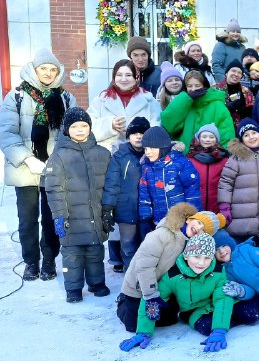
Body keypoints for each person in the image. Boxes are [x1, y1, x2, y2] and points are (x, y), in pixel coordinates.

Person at [0, 48, 74, 281]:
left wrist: (58, 159)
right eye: (43, 68)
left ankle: (49, 260)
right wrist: (27, 159)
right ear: (34, 70)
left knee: (52, 218)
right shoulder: (17, 96)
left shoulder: (65, 98)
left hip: (54, 168)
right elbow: (6, 132)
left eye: (53, 69)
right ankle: (31, 261)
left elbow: (72, 132)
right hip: (24, 168)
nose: (48, 73)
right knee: (27, 220)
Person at [119, 233, 235, 353]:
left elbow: (222, 298)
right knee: (132, 322)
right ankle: (121, 302)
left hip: (210, 305)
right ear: (186, 256)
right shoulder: (173, 275)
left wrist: (219, 330)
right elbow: (153, 301)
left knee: (244, 313)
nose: (201, 263)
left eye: (207, 258)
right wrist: (144, 332)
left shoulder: (218, 271)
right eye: (196, 257)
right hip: (191, 310)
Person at [43, 107, 111, 303]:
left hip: (95, 213)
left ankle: (96, 283)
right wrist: (59, 215)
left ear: (90, 127)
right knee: (72, 254)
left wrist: (108, 210)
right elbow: (54, 189)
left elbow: (110, 185)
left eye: (84, 125)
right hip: (71, 216)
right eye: (74, 126)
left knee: (95, 251)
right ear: (66, 130)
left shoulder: (102, 153)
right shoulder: (59, 156)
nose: (80, 130)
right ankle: (73, 288)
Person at [115, 203, 212, 332]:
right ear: (189, 219)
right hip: (138, 286)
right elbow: (144, 267)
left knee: (169, 320)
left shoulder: (190, 244)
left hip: (161, 288)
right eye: (198, 223)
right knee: (134, 326)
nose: (198, 228)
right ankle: (122, 301)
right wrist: (150, 294)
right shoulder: (160, 235)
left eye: (203, 229)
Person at [102, 117, 150, 273]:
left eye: (142, 133)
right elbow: (112, 183)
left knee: (147, 247)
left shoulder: (152, 155)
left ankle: (145, 279)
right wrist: (108, 206)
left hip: (147, 211)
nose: (139, 137)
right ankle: (131, 280)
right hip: (125, 209)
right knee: (128, 247)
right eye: (135, 133)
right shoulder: (120, 156)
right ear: (128, 136)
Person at [87, 59, 161, 150]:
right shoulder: (100, 100)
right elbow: (88, 127)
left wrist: (139, 133)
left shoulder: (149, 100)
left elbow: (157, 128)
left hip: (141, 154)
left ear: (136, 77)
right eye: (119, 75)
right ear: (114, 77)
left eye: (128, 75)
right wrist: (110, 125)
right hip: (107, 154)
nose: (123, 79)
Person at [138, 126, 203, 229]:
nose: (147, 152)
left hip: (182, 222)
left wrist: (193, 217)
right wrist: (145, 218)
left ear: (162, 147)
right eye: (145, 148)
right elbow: (144, 193)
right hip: (159, 222)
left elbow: (192, 190)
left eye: (152, 148)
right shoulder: (147, 167)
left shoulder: (180, 163)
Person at [161, 70, 236, 152]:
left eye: (197, 85)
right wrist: (185, 99)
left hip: (211, 155)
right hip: (185, 154)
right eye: (189, 86)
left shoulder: (217, 106)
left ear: (204, 86)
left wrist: (221, 153)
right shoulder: (182, 104)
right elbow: (169, 125)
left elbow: (226, 133)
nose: (193, 89)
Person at [186, 123, 229, 213]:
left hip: (217, 208)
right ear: (198, 139)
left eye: (211, 137)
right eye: (204, 137)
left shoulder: (223, 160)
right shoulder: (190, 160)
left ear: (216, 140)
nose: (207, 140)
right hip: (195, 208)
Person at [213, 60, 254, 127]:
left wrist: (242, 110)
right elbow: (212, 112)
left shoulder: (246, 91)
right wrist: (229, 107)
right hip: (221, 126)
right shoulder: (215, 90)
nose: (236, 74)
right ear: (227, 73)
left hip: (240, 128)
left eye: (239, 73)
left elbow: (251, 114)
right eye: (233, 71)